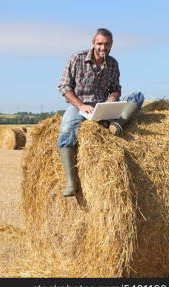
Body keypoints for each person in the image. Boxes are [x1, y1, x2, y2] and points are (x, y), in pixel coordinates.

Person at [57, 28, 144, 197]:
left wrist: (112, 98)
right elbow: (64, 87)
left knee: (138, 96)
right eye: (100, 44)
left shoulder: (113, 63)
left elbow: (116, 89)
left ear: (111, 45)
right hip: (80, 106)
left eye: (107, 44)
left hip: (103, 106)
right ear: (93, 43)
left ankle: (117, 124)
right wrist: (81, 105)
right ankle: (71, 181)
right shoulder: (77, 59)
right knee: (66, 131)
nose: (103, 48)